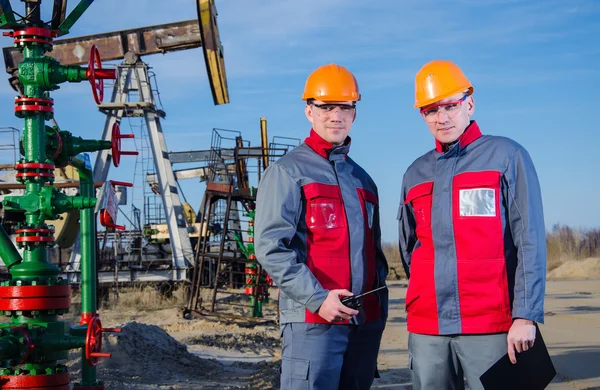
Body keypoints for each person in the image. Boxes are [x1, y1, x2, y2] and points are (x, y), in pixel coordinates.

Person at [397, 59, 546, 390]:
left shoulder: (506, 157)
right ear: (422, 115)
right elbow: (410, 249)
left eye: (450, 105)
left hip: (491, 323)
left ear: (469, 103)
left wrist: (526, 315)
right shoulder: (415, 173)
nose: (443, 117)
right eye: (431, 110)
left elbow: (530, 241)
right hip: (427, 328)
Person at [255, 63, 388, 390]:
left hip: (362, 327)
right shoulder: (288, 172)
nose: (336, 116)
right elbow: (271, 248)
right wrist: (317, 299)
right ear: (309, 112)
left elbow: (374, 256)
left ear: (354, 113)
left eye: (345, 107)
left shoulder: (363, 181)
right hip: (313, 325)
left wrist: (378, 314)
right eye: (326, 107)